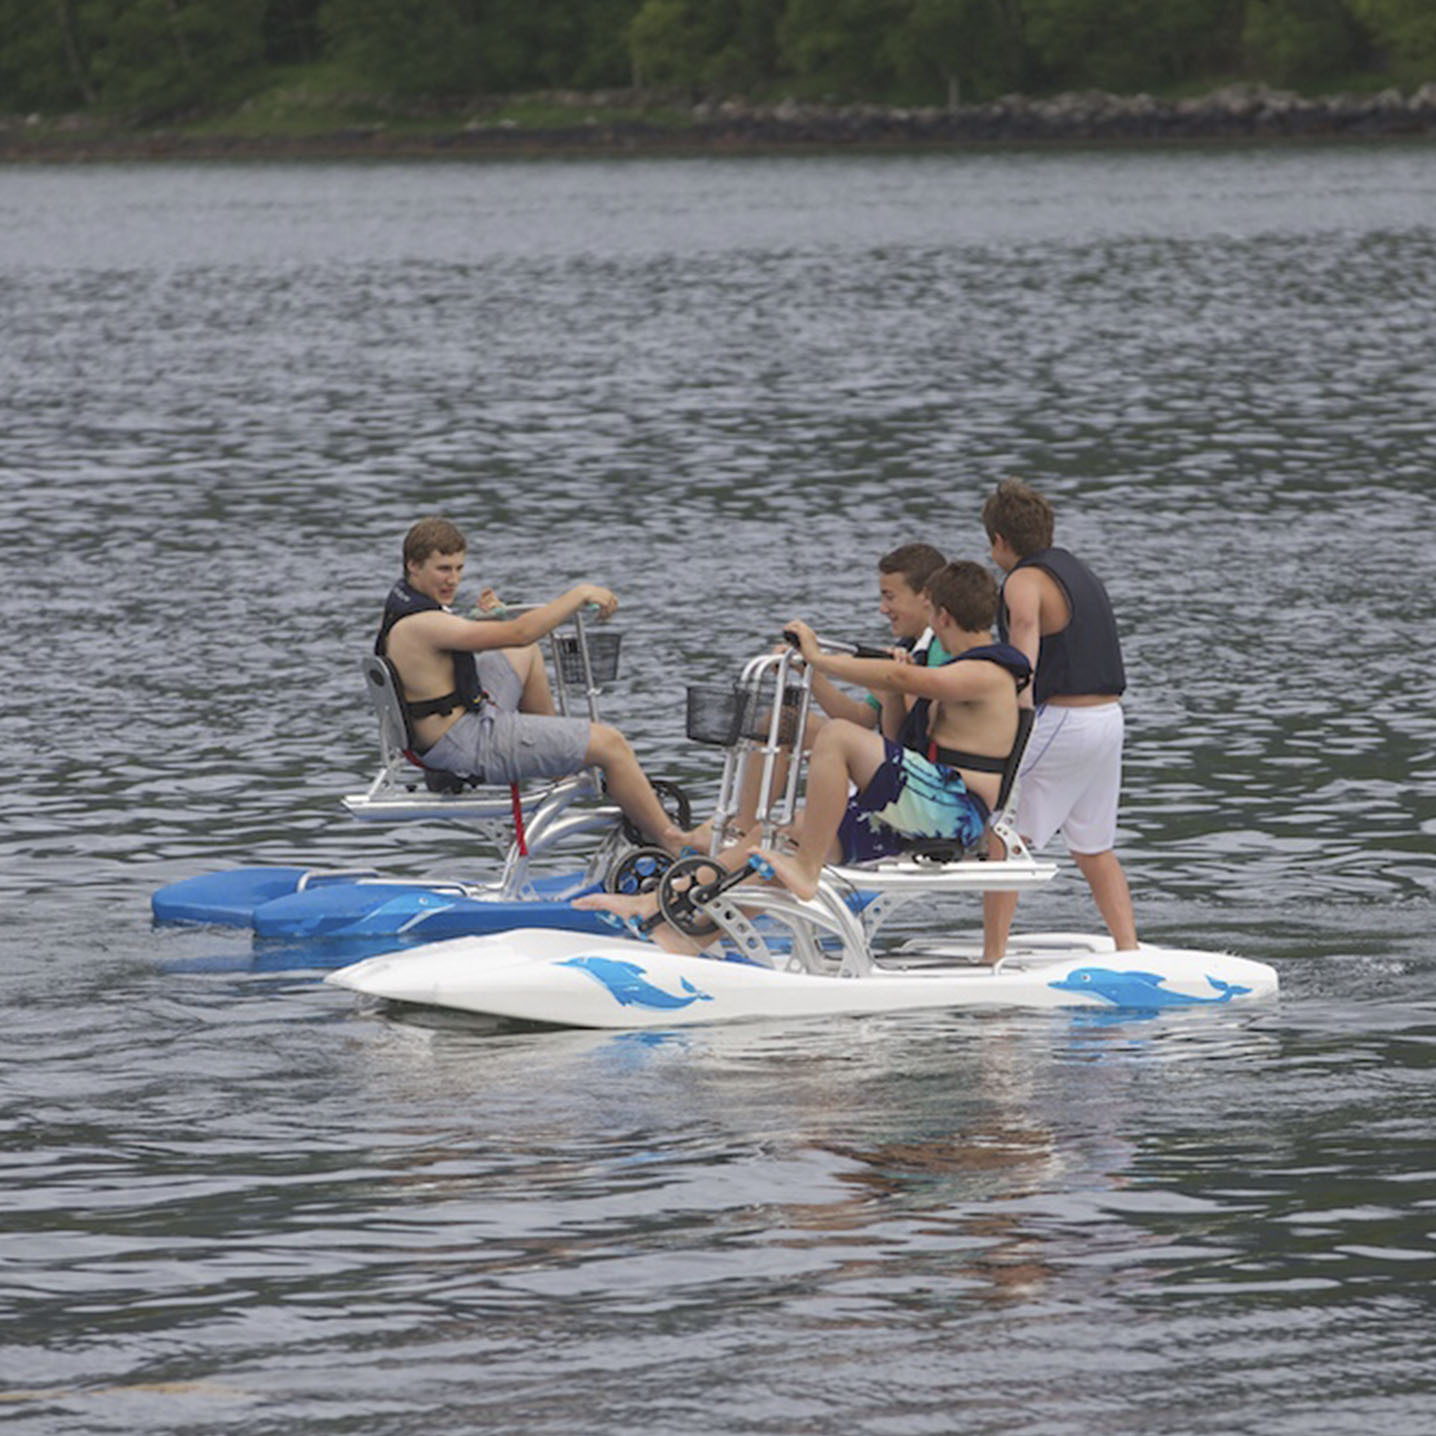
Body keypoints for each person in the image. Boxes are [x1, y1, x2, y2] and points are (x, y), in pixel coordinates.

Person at [376, 516, 694, 854]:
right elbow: (519, 632)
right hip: (465, 742)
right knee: (611, 743)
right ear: (413, 565)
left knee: (525, 653)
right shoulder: (423, 623)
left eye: (458, 568)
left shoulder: (408, 607)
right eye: (443, 569)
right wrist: (578, 594)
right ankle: (671, 839)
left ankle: (563, 766)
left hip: (446, 730)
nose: (453, 579)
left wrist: (489, 619)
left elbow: (498, 642)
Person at [979, 478, 1138, 952]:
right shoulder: (1078, 571)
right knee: (1093, 847)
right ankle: (1127, 948)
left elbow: (1023, 648)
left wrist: (1011, 714)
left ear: (1000, 542)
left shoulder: (1024, 580)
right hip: (1109, 720)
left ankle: (993, 957)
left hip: (1065, 720)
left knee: (1000, 831)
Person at [809, 542, 950, 729]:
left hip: (924, 755)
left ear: (926, 596)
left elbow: (924, 721)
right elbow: (862, 718)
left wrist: (876, 675)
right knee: (780, 722)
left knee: (837, 735)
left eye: (890, 597)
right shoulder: (908, 646)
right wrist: (810, 673)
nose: (883, 609)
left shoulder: (944, 648)